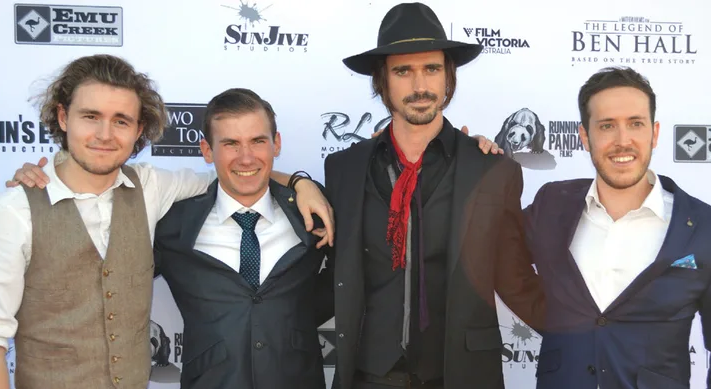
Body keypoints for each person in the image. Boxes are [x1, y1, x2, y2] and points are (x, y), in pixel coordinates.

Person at [0, 54, 332, 389]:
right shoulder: (16, 211)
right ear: (63, 117)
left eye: (121, 121)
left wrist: (302, 183)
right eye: (91, 116)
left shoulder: (153, 189)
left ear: (139, 128)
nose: (105, 134)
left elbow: (239, 177)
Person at [323, 3, 545, 389]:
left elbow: (514, 278)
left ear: (448, 77)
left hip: (461, 374)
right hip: (369, 374)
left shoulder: (492, 169)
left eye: (431, 69)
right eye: (403, 71)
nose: (419, 86)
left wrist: (587, 324)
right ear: (382, 81)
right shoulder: (344, 169)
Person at [525, 67, 711, 389]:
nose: (622, 141)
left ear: (654, 133)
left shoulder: (702, 225)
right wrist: (476, 160)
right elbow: (491, 245)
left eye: (635, 124)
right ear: (585, 137)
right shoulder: (552, 204)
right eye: (607, 126)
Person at [152, 88, 334, 389]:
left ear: (276, 144)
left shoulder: (313, 214)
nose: (246, 157)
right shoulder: (172, 224)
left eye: (258, 141)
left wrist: (291, 320)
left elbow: (346, 277)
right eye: (231, 144)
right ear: (207, 150)